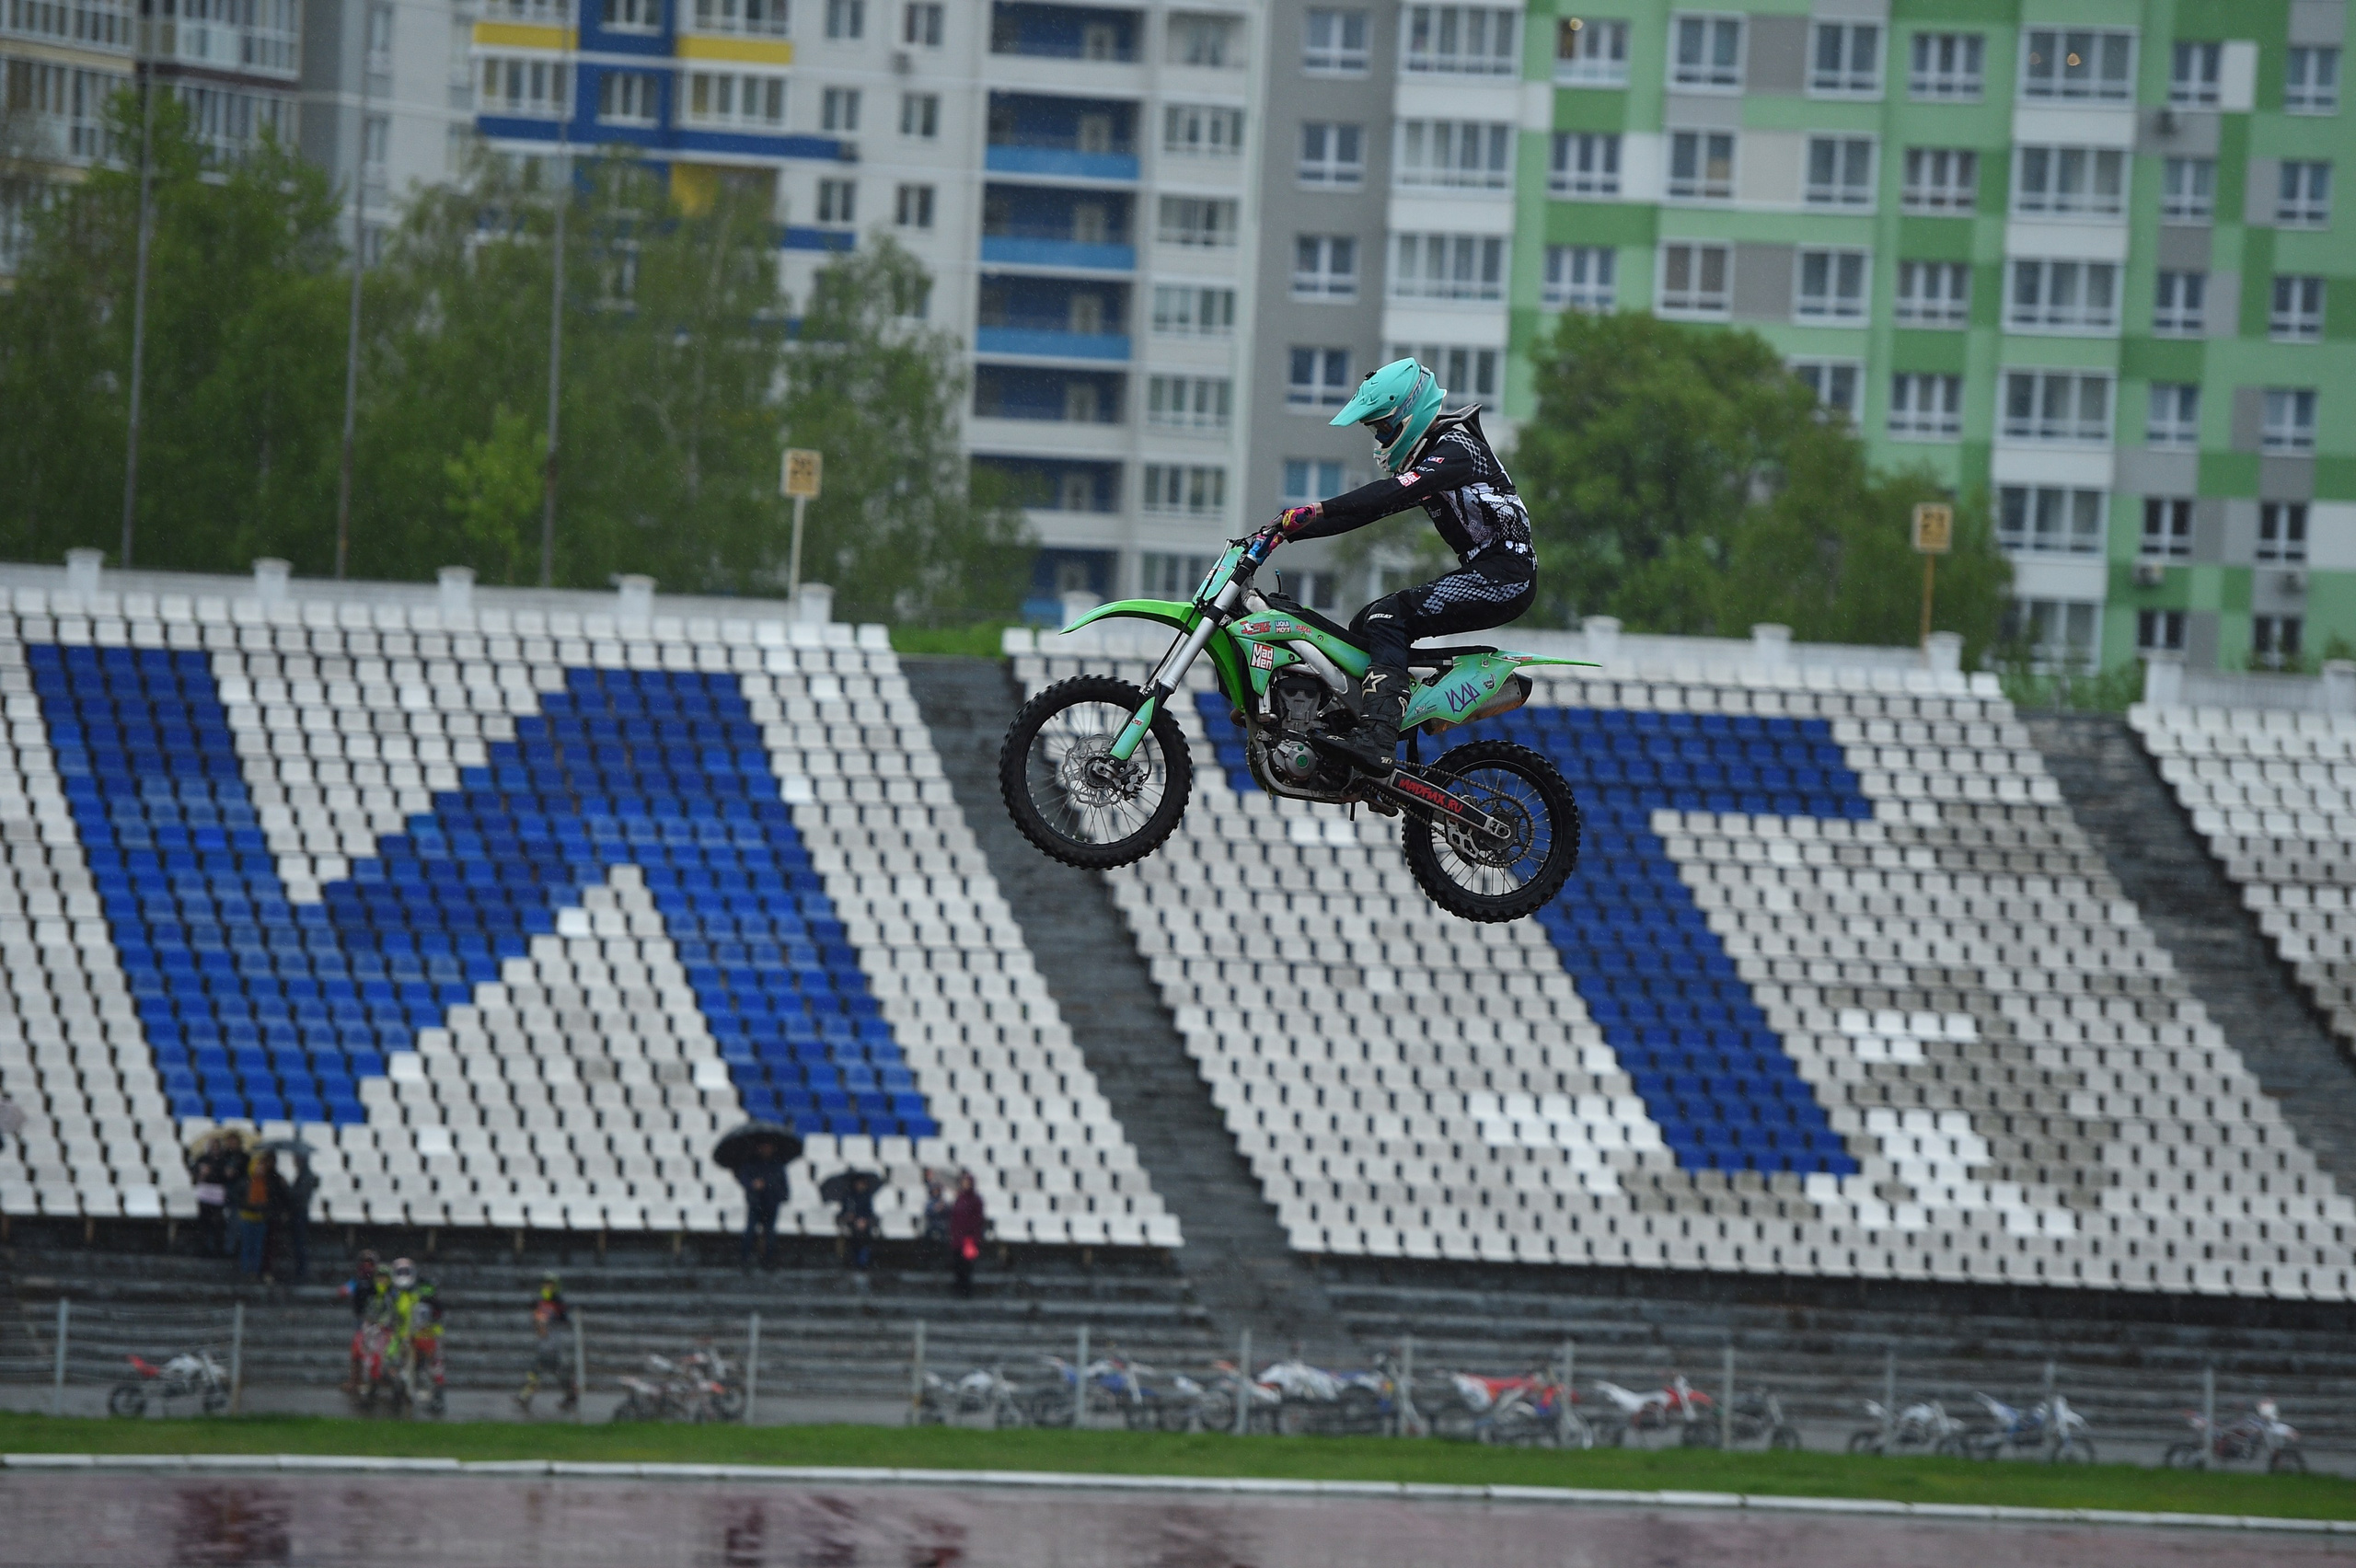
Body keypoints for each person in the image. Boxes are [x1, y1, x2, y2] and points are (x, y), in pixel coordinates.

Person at [1264, 356, 1537, 774]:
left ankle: (1379, 738)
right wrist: (1285, 532)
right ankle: (1353, 729)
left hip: (1506, 575)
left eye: (1383, 427)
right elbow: (1368, 511)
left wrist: (1318, 508)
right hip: (1488, 570)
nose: (1379, 438)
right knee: (1365, 623)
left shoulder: (1457, 449)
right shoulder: (1433, 454)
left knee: (1388, 618)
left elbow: (1386, 494)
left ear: (1409, 413)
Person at [387, 1256, 445, 1413]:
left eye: (406, 1272)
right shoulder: (396, 1297)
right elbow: (395, 1320)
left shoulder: (422, 1294)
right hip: (404, 1337)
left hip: (427, 1336)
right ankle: (401, 1394)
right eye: (400, 1272)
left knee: (434, 1367)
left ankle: (437, 1397)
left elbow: (434, 1315)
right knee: (397, 1364)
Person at [515, 1272, 576, 1413]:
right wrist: (539, 1324)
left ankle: (525, 1396)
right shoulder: (541, 1302)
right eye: (546, 1284)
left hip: (553, 1344)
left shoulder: (558, 1303)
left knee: (538, 1370)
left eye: (550, 1284)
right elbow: (537, 1320)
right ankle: (571, 1395)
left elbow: (564, 1321)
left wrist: (550, 1323)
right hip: (544, 1344)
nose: (547, 1287)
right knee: (556, 1372)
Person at [233, 1149, 286, 1278]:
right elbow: (239, 1199)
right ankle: (246, 1271)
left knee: (258, 1247)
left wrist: (263, 1208)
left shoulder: (269, 1182)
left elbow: (273, 1199)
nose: (260, 1169)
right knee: (247, 1245)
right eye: (258, 1166)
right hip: (247, 1217)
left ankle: (255, 1271)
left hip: (261, 1218)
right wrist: (251, 1206)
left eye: (262, 1166)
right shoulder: (246, 1182)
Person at [339, 1251, 385, 1393]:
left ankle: (374, 1382)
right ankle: (355, 1381)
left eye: (370, 1263)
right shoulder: (357, 1281)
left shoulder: (380, 1282)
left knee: (376, 1354)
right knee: (357, 1352)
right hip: (362, 1321)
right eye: (364, 1263)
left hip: (378, 1323)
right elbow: (345, 1290)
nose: (367, 1266)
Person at [735, 1152, 788, 1273]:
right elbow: (744, 1179)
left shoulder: (777, 1166)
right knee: (750, 1231)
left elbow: (782, 1185)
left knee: (770, 1233)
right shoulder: (751, 1163)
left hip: (771, 1203)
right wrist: (753, 1184)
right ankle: (745, 1259)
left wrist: (770, 1187)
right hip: (756, 1203)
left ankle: (768, 1260)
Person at [948, 1172, 986, 1299]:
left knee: (967, 1265)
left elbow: (978, 1219)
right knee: (957, 1264)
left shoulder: (976, 1200)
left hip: (969, 1238)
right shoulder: (959, 1198)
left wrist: (974, 1235)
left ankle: (966, 1290)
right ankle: (958, 1288)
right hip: (957, 1238)